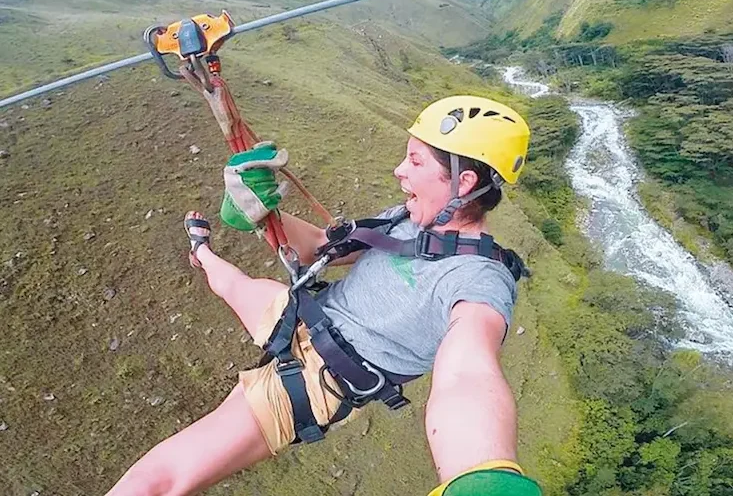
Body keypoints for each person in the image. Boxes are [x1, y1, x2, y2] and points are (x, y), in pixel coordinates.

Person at [106, 95, 543, 496]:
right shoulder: (407, 221)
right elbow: (319, 246)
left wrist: (482, 475)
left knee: (153, 483)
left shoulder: (478, 280)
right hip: (301, 317)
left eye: (414, 161)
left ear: (463, 183)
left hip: (315, 382)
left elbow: (467, 374)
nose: (399, 170)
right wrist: (263, 212)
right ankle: (202, 252)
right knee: (233, 283)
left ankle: (201, 251)